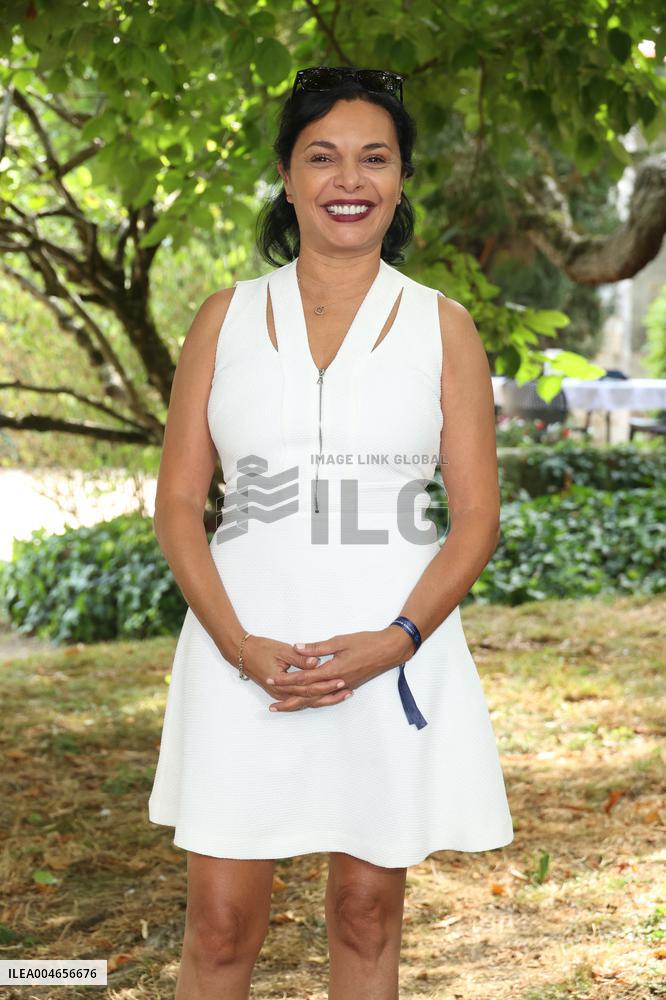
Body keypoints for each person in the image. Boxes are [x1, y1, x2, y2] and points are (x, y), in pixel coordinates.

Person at [148, 65, 513, 1000]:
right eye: (323, 157)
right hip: (244, 655)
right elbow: (180, 504)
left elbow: (475, 518)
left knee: (365, 915)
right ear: (285, 175)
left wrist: (394, 642)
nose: (349, 181)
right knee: (222, 929)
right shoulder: (225, 317)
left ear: (399, 180)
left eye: (374, 158)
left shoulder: (444, 325)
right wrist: (238, 647)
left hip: (390, 650)